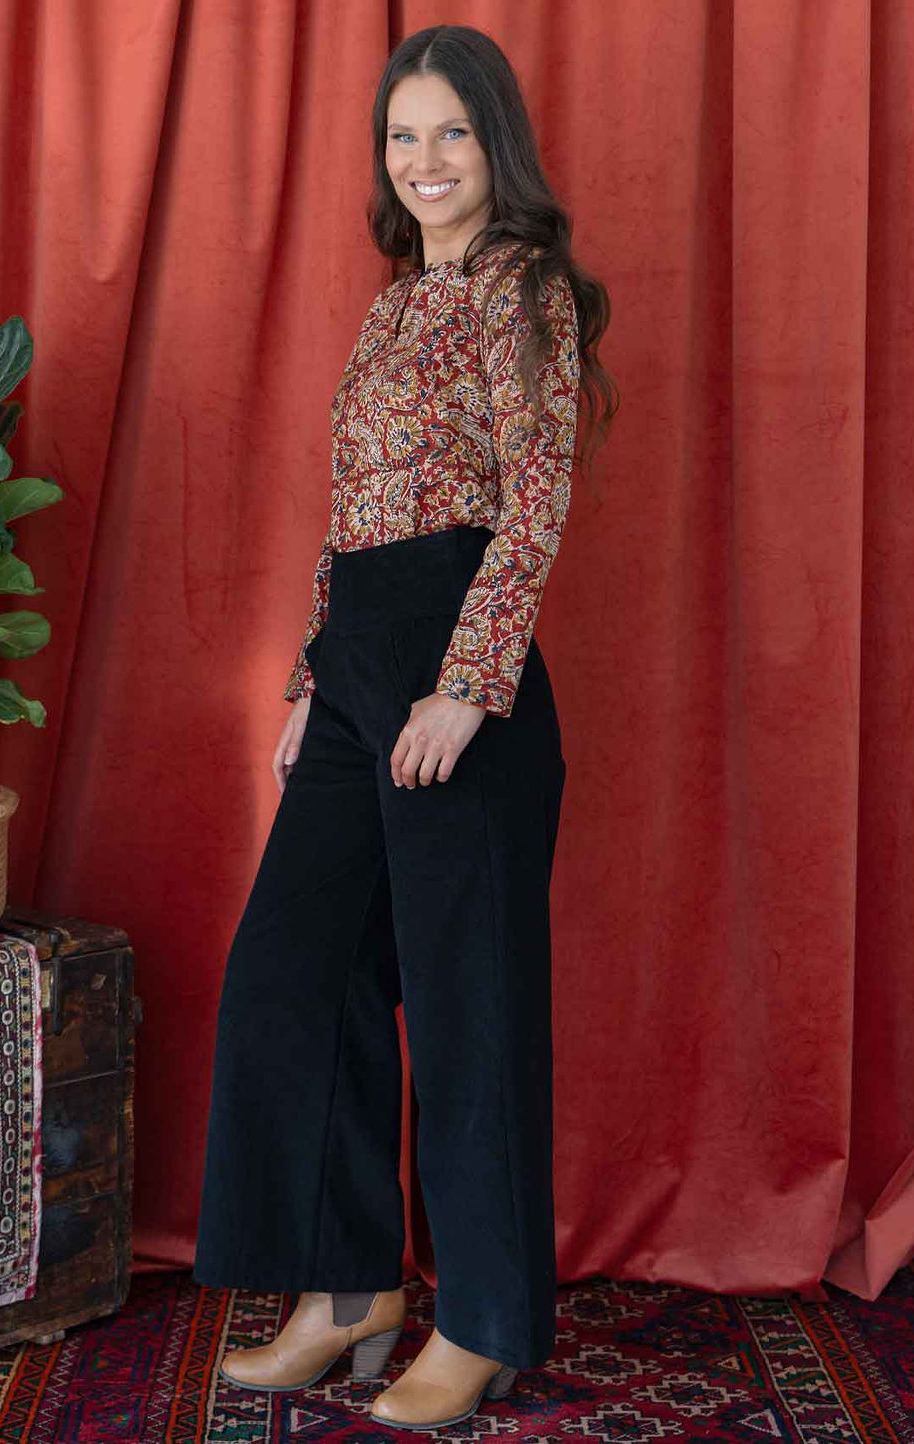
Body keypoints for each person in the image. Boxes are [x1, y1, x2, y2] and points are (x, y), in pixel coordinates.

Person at [192, 22, 617, 1433]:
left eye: (451, 133)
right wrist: (318, 680)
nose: (425, 161)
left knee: (467, 1006)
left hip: (459, 672)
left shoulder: (526, 291)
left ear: (497, 146)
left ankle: (482, 1323)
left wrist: (468, 684)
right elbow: (353, 516)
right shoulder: (392, 310)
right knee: (290, 973)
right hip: (359, 669)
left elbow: (538, 493)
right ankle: (349, 1288)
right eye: (402, 136)